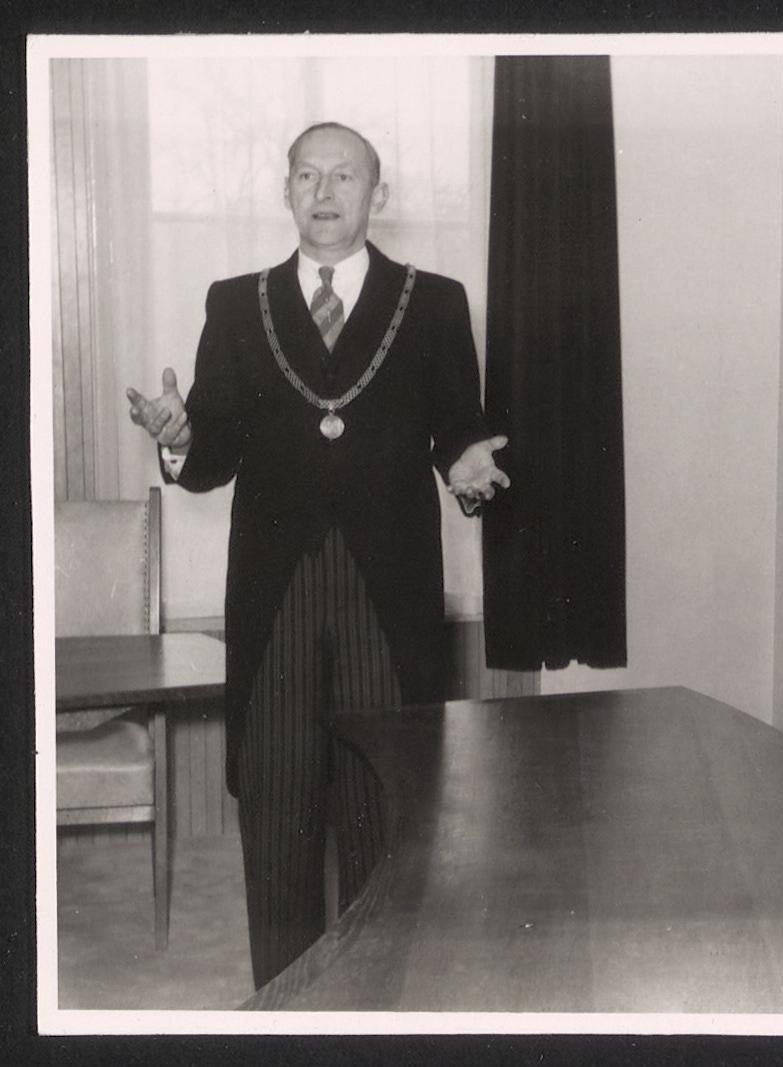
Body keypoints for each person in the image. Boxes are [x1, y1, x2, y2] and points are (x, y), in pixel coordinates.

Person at [124, 122, 509, 988]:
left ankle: (381, 1010)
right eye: (307, 175)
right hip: (277, 602)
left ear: (379, 195)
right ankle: (284, 1012)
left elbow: (460, 434)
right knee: (278, 815)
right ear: (286, 192)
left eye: (344, 176)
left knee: (387, 814)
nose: (324, 191)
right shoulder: (237, 303)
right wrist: (180, 438)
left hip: (388, 601)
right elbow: (212, 453)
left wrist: (468, 469)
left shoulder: (434, 302)